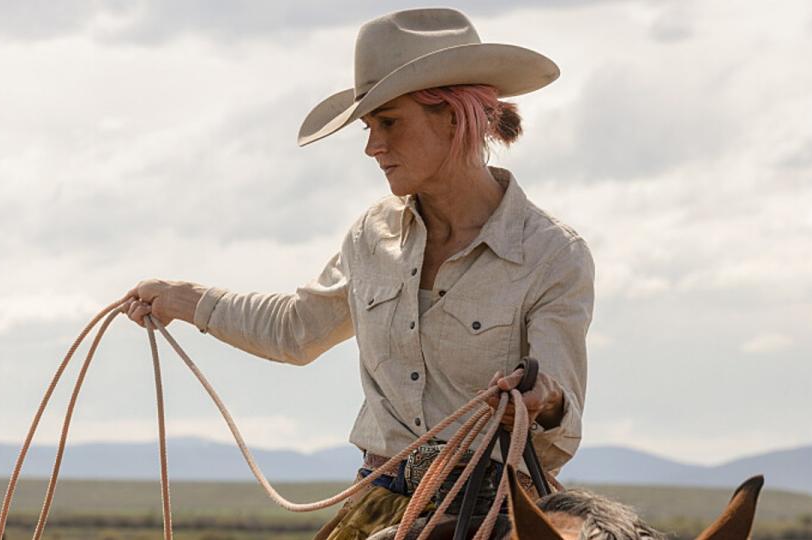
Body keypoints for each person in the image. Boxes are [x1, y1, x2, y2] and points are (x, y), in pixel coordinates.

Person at [122, 8, 595, 539]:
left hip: (496, 517)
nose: (372, 146)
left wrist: (543, 403)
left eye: (389, 123)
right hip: (379, 502)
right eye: (370, 127)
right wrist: (183, 299)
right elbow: (296, 330)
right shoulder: (371, 236)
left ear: (455, 118)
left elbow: (560, 429)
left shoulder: (553, 255)